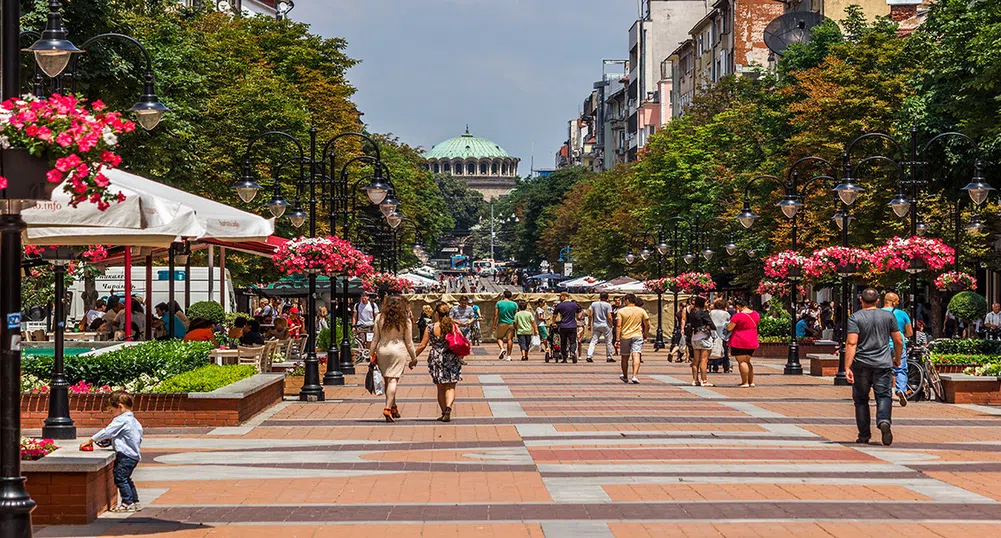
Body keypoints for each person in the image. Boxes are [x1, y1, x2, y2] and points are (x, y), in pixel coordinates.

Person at [846, 287, 903, 446]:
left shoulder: (855, 317)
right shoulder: (888, 316)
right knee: (884, 395)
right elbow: (898, 340)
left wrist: (847, 366)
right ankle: (884, 420)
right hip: (883, 363)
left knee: (861, 399)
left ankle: (864, 435)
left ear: (861, 300)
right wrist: (897, 358)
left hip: (861, 364)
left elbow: (852, 342)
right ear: (878, 300)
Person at [79, 391, 144, 512]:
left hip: (125, 456)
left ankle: (127, 502)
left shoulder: (121, 420)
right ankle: (135, 501)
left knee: (120, 478)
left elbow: (108, 431)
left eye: (111, 411)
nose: (111, 414)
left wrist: (91, 440)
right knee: (126, 478)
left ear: (120, 406)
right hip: (133, 455)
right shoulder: (134, 421)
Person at [371, 295, 419, 423]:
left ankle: (393, 407)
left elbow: (375, 338)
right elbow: (409, 342)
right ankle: (387, 408)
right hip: (398, 349)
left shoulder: (379, 318)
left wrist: (371, 354)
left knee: (388, 379)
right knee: (393, 380)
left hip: (383, 349)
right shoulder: (405, 320)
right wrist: (413, 358)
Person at [415, 302, 463, 422]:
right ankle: (448, 408)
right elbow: (461, 340)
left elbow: (422, 345)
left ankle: (443, 412)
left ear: (436, 313)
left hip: (437, 358)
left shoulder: (431, 327)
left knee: (440, 388)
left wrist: (413, 358)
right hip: (451, 357)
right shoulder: (453, 326)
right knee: (451, 385)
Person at [882, 292, 913, 407]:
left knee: (883, 370)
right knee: (900, 370)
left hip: (882, 346)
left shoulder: (878, 313)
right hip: (898, 345)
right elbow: (909, 332)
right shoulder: (902, 313)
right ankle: (901, 389)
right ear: (894, 302)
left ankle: (883, 393)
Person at [615, 294, 650, 384]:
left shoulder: (621, 311)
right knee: (636, 355)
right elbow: (647, 324)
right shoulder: (641, 311)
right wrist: (645, 333)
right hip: (637, 335)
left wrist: (617, 339)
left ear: (627, 300)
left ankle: (625, 376)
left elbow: (618, 325)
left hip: (625, 336)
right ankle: (635, 376)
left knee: (624, 356)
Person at [726, 299, 760, 387]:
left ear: (737, 306)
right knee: (748, 361)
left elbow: (729, 328)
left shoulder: (738, 316)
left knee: (742, 362)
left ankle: (745, 382)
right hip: (752, 339)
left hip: (740, 339)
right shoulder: (755, 314)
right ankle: (750, 382)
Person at [688, 296, 717, 387]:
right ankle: (704, 380)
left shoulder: (692, 312)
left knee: (695, 359)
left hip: (694, 336)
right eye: (706, 302)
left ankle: (695, 379)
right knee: (704, 360)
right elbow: (712, 325)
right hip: (704, 336)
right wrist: (709, 326)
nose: (707, 303)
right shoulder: (703, 312)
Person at [553, 292, 582, 364]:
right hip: (572, 326)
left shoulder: (560, 305)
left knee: (563, 342)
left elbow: (554, 315)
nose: (560, 298)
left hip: (563, 326)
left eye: (560, 296)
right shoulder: (574, 305)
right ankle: (572, 352)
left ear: (564, 296)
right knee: (573, 341)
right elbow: (578, 315)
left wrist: (553, 322)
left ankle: (564, 357)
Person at [587, 293, 614, 363]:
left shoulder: (594, 304)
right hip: (606, 325)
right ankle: (609, 357)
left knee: (593, 341)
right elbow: (609, 317)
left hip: (596, 324)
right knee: (608, 341)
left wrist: (589, 324)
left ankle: (589, 355)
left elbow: (590, 315)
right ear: (607, 298)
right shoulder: (608, 305)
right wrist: (611, 324)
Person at [493, 290, 518, 361]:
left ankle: (502, 348)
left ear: (503, 295)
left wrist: (494, 324)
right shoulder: (514, 304)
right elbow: (516, 315)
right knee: (510, 339)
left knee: (499, 338)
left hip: (502, 323)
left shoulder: (499, 303)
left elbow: (496, 315)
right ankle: (509, 356)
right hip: (511, 323)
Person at [709, 299, 732, 374]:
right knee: (725, 350)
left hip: (713, 334)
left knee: (715, 349)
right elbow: (728, 322)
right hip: (723, 334)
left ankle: (715, 366)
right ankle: (726, 367)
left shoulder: (712, 312)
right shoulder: (726, 314)